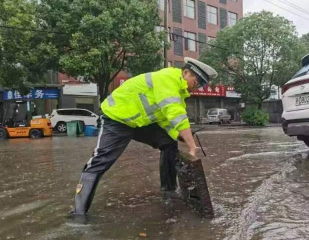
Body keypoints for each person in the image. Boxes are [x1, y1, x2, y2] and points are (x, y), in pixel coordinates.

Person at [72, 57, 218, 215]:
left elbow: (165, 120)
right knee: (102, 160)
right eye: (197, 82)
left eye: (202, 85)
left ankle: (168, 191)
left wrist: (180, 135)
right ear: (186, 72)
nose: (198, 87)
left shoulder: (179, 93)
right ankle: (78, 212)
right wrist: (191, 146)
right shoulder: (168, 78)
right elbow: (176, 114)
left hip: (139, 123)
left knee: (169, 143)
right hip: (118, 119)